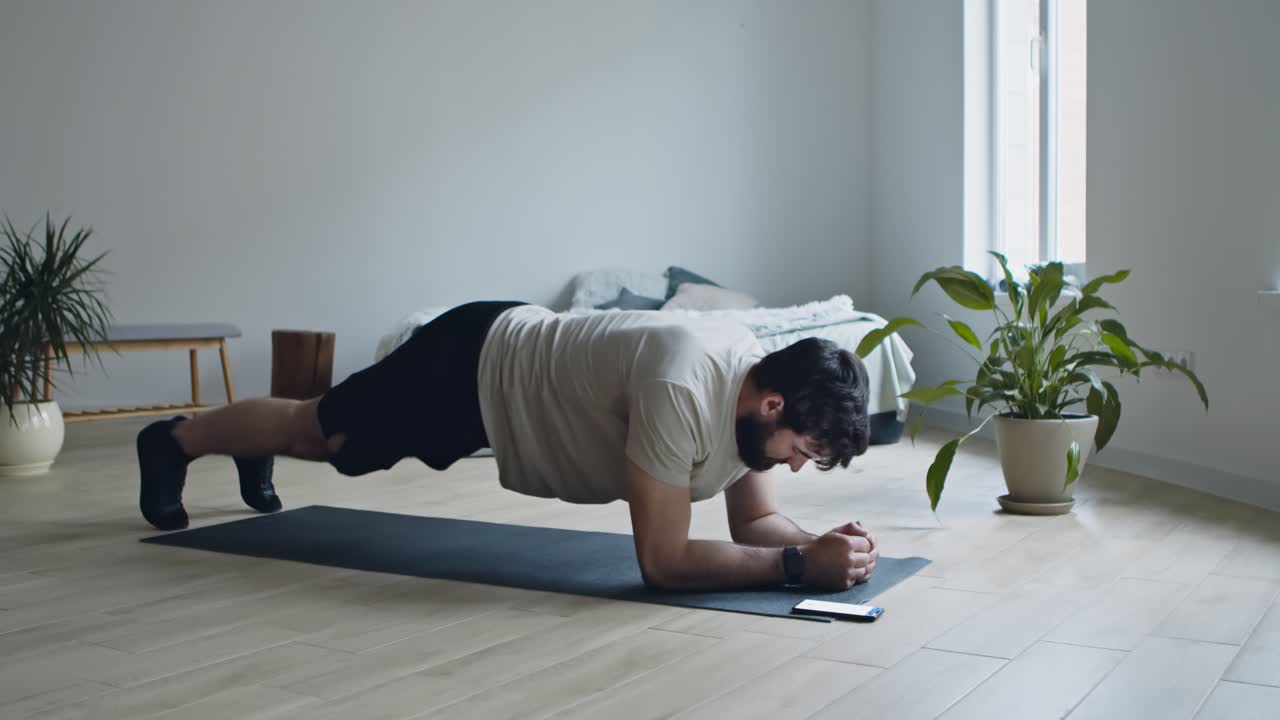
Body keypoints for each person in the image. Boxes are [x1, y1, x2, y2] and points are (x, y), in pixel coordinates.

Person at [136, 300, 879, 591]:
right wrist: (792, 566)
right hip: (471, 366)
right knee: (321, 432)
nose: (791, 465)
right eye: (799, 450)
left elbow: (753, 525)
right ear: (772, 402)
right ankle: (176, 440)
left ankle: (234, 446)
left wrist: (822, 545)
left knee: (324, 436)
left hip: (510, 370)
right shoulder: (684, 383)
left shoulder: (755, 397)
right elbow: (662, 563)